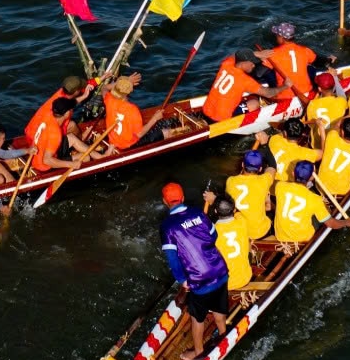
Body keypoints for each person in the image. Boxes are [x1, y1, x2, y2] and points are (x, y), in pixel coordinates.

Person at [157, 183, 232, 343]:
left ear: (165, 201)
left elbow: (172, 258)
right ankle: (224, 335)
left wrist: (182, 280)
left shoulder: (166, 226)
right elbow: (213, 236)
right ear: (183, 198)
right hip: (220, 269)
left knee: (196, 318)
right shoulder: (198, 212)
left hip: (199, 279)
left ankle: (198, 352)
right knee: (219, 307)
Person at [271, 160, 350, 244]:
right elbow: (331, 224)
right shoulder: (316, 199)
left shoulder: (280, 186)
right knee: (322, 215)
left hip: (280, 235)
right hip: (303, 239)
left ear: (293, 173)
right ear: (312, 177)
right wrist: (347, 222)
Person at [255, 23, 317, 104]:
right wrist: (329, 59)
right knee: (310, 68)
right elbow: (318, 61)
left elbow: (258, 74)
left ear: (282, 38)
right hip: (307, 91)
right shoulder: (305, 50)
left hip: (283, 98)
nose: (275, 36)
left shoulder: (272, 54)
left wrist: (259, 60)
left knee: (267, 73)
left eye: (277, 35)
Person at [21, 93, 82, 175]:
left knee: (71, 135)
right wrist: (72, 164)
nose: (72, 111)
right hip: (45, 167)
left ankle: (97, 155)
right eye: (70, 110)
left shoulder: (48, 115)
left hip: (35, 158)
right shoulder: (56, 133)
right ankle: (100, 157)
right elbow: (47, 160)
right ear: (67, 113)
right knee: (86, 158)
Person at [200, 52, 267, 123]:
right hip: (221, 120)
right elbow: (268, 93)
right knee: (254, 104)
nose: (253, 65)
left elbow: (234, 55)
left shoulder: (226, 64)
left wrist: (256, 54)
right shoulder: (245, 80)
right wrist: (280, 88)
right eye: (252, 63)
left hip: (206, 111)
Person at [99, 70, 149, 150]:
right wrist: (155, 118)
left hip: (113, 142)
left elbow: (104, 88)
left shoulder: (109, 100)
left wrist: (122, 83)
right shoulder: (132, 109)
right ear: (129, 92)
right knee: (165, 132)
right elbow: (139, 134)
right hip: (128, 145)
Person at [225, 147, 277, 220]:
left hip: (240, 225)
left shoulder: (230, 181)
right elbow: (272, 166)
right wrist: (265, 147)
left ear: (243, 165)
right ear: (260, 169)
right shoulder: (265, 180)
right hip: (260, 228)